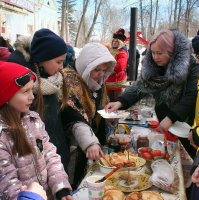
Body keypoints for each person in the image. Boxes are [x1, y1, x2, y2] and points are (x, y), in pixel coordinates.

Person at [105, 29, 199, 159]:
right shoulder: (153, 66)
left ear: (172, 52)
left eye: (159, 53)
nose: (155, 57)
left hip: (187, 125)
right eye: (153, 53)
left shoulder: (193, 66)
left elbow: (191, 96)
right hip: (165, 123)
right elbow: (140, 87)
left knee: (190, 158)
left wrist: (171, 117)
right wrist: (120, 101)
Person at [0, 61, 73, 200]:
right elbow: (7, 185)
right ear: (6, 96)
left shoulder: (34, 120)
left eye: (31, 90)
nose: (32, 97)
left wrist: (61, 188)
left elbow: (50, 155)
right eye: (25, 91)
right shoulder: (2, 137)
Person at [61, 42, 116, 188]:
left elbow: (102, 105)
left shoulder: (99, 80)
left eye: (104, 70)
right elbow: (72, 115)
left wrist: (111, 116)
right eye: (97, 69)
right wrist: (89, 141)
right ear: (86, 66)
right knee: (75, 180)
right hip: (73, 143)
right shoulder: (69, 80)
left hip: (91, 142)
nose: (101, 74)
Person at [28, 28, 70, 174]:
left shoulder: (53, 83)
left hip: (58, 155)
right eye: (58, 61)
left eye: (63, 61)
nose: (61, 67)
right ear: (42, 59)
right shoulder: (28, 90)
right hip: (39, 164)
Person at [105, 28, 128, 102]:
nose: (114, 43)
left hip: (117, 81)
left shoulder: (122, 53)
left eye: (116, 41)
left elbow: (120, 66)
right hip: (108, 81)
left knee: (116, 102)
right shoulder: (110, 51)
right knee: (108, 101)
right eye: (113, 41)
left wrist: (108, 70)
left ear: (120, 42)